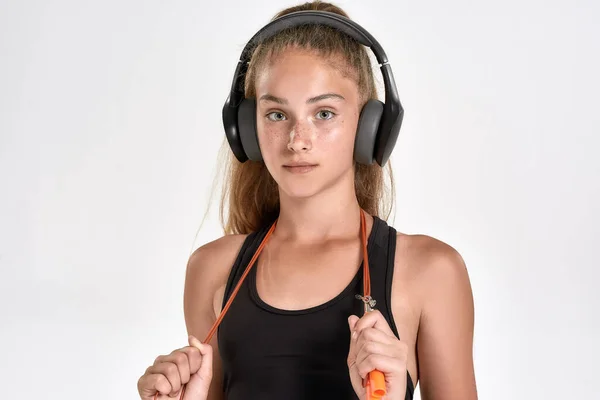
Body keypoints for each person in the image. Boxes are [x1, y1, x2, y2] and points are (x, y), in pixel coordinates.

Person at [137, 1, 477, 399]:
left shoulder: (430, 272)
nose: (298, 140)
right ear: (247, 129)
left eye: (325, 113)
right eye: (277, 115)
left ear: (370, 127)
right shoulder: (211, 269)